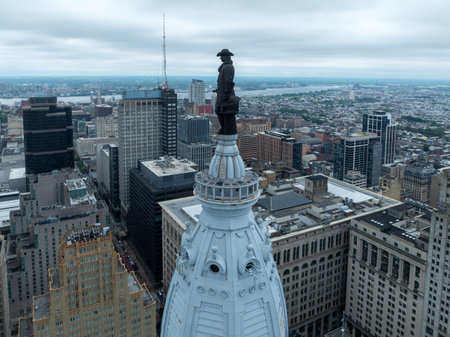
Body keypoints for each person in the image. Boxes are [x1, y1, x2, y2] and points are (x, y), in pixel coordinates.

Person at [214, 49, 240, 135]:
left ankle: (224, 128)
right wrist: (218, 90)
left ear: (226, 56)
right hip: (221, 92)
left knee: (220, 110)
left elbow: (229, 82)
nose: (220, 58)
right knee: (219, 110)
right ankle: (223, 128)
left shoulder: (228, 67)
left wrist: (226, 93)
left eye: (222, 56)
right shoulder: (224, 67)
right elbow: (223, 82)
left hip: (225, 94)